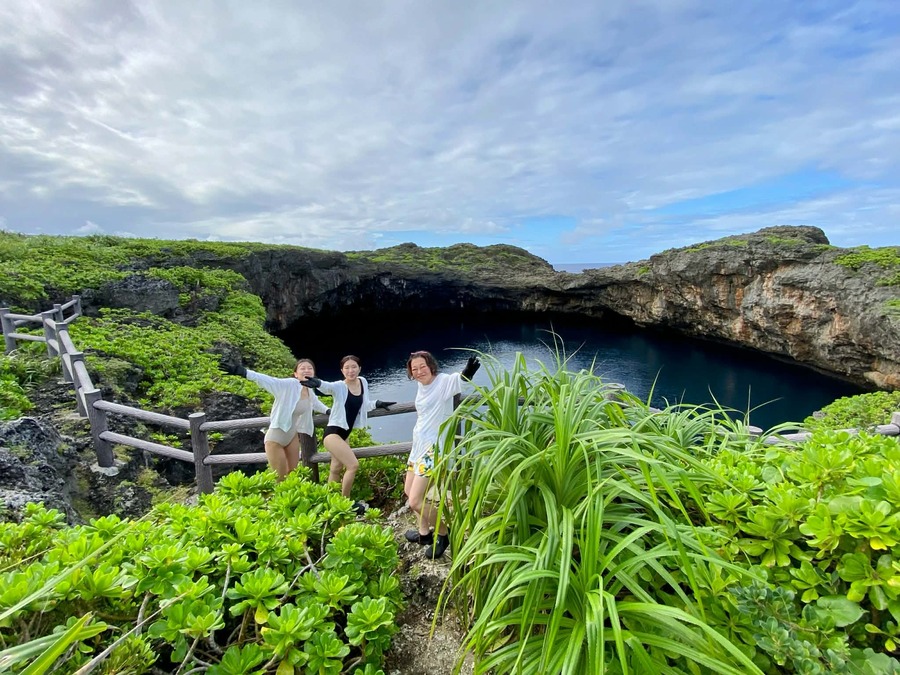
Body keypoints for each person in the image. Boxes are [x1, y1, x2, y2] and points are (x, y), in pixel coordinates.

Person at [404, 351, 480, 559]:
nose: (419, 371)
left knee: (415, 501)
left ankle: (445, 533)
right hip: (418, 447)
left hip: (433, 449)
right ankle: (424, 534)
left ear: (431, 365)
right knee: (408, 491)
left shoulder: (442, 381)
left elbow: (459, 381)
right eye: (414, 369)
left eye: (422, 366)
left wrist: (468, 371)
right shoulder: (421, 386)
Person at [300, 355, 394, 514]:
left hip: (345, 434)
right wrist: (318, 383)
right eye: (347, 368)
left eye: (354, 367)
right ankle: (346, 502)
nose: (351, 370)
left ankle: (330, 501)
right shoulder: (340, 386)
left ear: (360, 368)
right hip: (333, 434)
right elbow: (327, 387)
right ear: (342, 371)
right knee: (353, 465)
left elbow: (364, 404)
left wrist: (377, 403)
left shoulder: (363, 382)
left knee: (336, 468)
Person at [220, 357, 329, 481]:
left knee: (292, 475)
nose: (306, 370)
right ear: (295, 374)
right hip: (275, 439)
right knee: (280, 478)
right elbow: (268, 380)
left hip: (292, 436)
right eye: (302, 368)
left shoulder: (309, 390)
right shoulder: (289, 384)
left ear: (314, 373)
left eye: (310, 368)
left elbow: (316, 403)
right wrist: (244, 372)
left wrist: (328, 411)